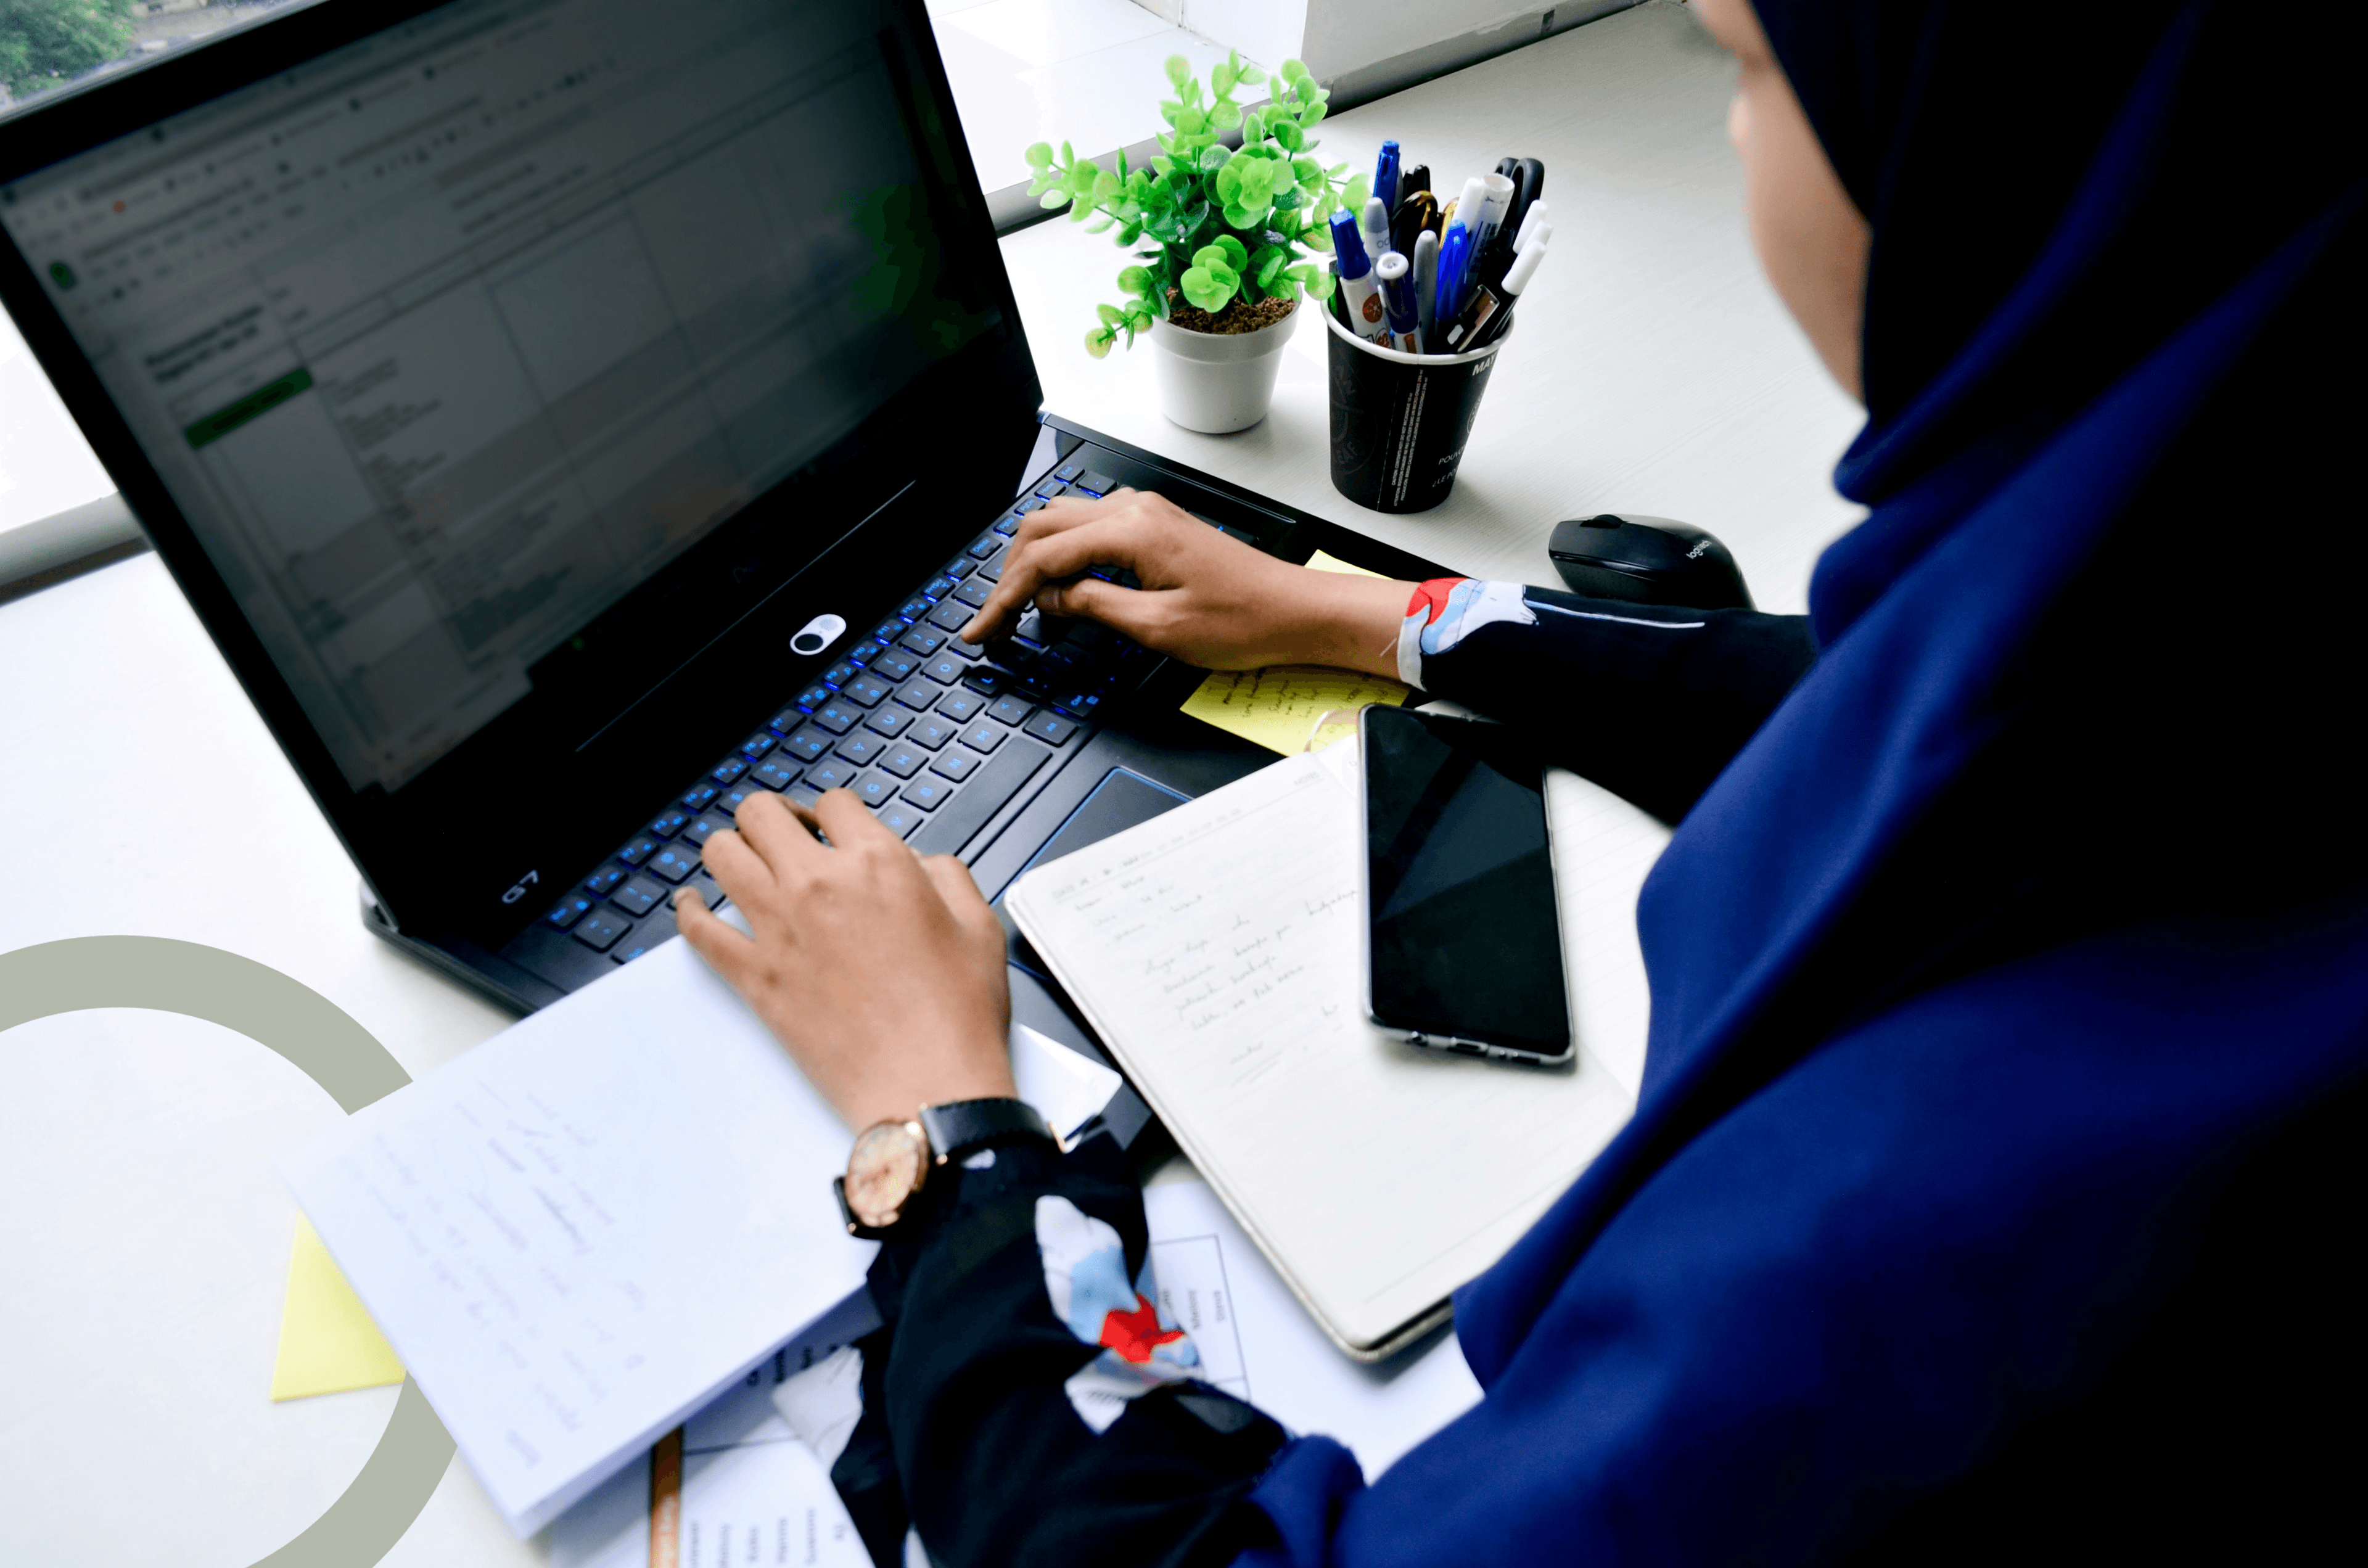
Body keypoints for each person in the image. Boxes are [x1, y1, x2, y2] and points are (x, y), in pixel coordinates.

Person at [672, 0, 2368, 1560]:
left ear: (2011, 151)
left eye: (1751, 64)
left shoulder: (1932, 1243)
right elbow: (1865, 697)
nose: (1725, 113)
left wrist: (948, 1120)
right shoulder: (2195, 614)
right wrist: (1360, 610)